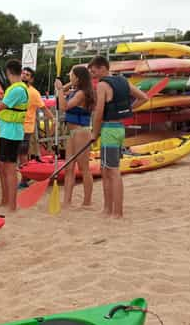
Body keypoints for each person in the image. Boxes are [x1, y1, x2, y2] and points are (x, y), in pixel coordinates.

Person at [88, 56, 148, 219]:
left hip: (109, 130)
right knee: (106, 170)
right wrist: (129, 109)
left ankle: (117, 212)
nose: (93, 74)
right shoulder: (122, 81)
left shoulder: (102, 84)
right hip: (119, 128)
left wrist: (94, 132)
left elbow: (99, 111)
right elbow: (144, 97)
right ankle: (108, 209)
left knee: (112, 171)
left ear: (102, 68)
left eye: (94, 71)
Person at [0, 59, 29, 210]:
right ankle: (5, 200)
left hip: (12, 133)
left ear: (8, 72)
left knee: (9, 168)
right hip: (6, 130)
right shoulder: (14, 88)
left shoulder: (17, 89)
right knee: (2, 166)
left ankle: (12, 204)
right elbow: (3, 111)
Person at [55, 66, 96, 208]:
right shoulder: (75, 90)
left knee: (84, 168)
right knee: (69, 168)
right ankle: (67, 201)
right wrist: (62, 86)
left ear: (78, 78)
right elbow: (61, 91)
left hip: (81, 132)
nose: (69, 77)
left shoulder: (82, 94)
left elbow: (64, 107)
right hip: (72, 132)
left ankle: (87, 201)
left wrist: (60, 89)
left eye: (71, 75)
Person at [19, 67, 52, 187]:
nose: (24, 76)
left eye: (27, 75)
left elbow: (44, 108)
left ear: (31, 79)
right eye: (23, 73)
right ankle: (25, 177)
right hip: (16, 127)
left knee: (22, 155)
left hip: (26, 128)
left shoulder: (34, 92)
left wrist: (53, 120)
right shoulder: (17, 89)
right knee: (22, 155)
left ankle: (24, 179)